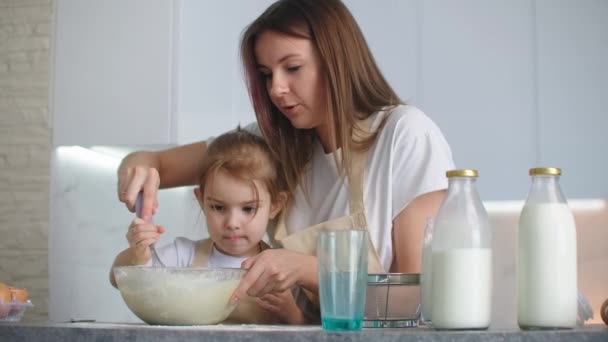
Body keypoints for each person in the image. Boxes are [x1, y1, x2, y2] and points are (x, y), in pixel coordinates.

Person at [116, 0, 454, 315]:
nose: (276, 89)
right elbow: (150, 161)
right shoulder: (271, 142)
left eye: (292, 68)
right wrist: (139, 169)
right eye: (266, 74)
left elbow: (412, 298)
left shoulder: (405, 136)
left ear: (337, 61)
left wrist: (305, 269)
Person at [110, 129, 307, 324]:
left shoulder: (281, 269)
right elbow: (117, 278)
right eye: (218, 207)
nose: (232, 223)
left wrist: (291, 314)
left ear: (275, 205)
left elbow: (304, 333)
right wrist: (138, 253)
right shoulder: (184, 255)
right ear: (201, 201)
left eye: (248, 209)